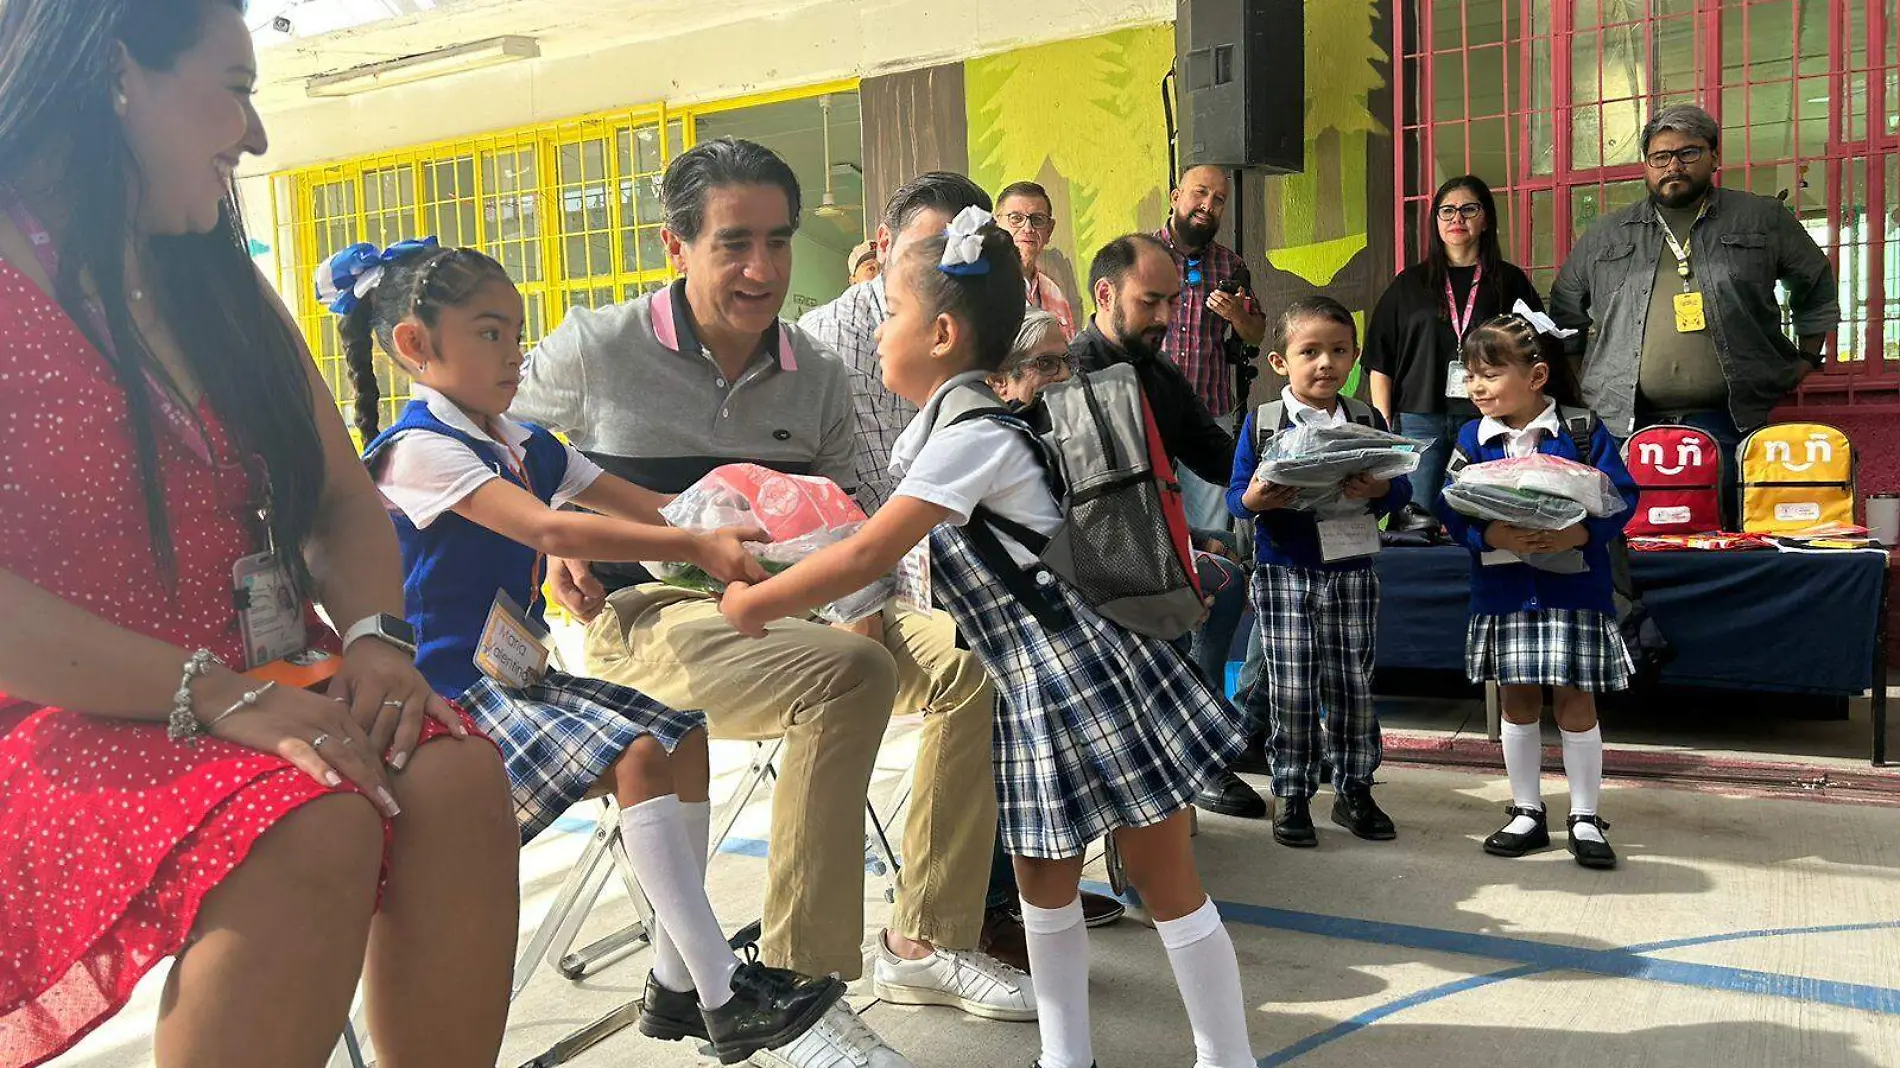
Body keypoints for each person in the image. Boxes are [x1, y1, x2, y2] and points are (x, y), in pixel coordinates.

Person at [0, 3, 519, 1067]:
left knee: (454, 776)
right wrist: (222, 694)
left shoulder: (212, 280)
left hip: (260, 678)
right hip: (52, 711)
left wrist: (377, 638)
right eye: (236, 90)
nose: (257, 136)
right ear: (115, 74)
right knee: (311, 819)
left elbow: (336, 498)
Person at [511, 141, 1029, 1068]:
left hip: (799, 606)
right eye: (733, 243)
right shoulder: (596, 350)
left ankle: (922, 941)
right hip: (654, 616)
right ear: (676, 246)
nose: (762, 270)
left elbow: (860, 519)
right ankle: (788, 988)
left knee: (965, 659)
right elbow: (484, 436)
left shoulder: (821, 373)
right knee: (849, 669)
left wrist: (864, 598)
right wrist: (545, 537)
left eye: (780, 242)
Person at [719, 207, 1258, 1068]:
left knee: (1165, 879)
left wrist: (753, 605)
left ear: (938, 332)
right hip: (1027, 682)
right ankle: (1065, 1056)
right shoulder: (945, 433)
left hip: (1083, 671)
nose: (878, 329)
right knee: (1044, 885)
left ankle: (1226, 1057)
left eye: (888, 312)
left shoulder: (968, 437)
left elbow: (870, 548)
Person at [333, 240, 846, 1061]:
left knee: (682, 734)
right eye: (490, 333)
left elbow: (644, 503)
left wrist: (736, 524)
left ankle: (680, 982)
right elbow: (546, 526)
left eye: (517, 333)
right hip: (447, 698)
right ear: (415, 347)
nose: (514, 353)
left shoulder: (520, 440)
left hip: (517, 680)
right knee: (639, 752)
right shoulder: (417, 451)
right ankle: (721, 996)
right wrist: (696, 546)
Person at [805, 175, 1125, 974]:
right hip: (862, 583)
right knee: (981, 668)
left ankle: (989, 905)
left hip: (957, 588)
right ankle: (947, 926)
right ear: (883, 251)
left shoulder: (961, 402)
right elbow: (832, 518)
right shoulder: (826, 347)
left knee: (987, 666)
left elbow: (894, 536)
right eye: (931, 252)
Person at [1549, 102, 1837, 516]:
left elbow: (1816, 287)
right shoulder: (1605, 235)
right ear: (1647, 164)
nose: (1673, 167)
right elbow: (1565, 316)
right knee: (1629, 538)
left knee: (1724, 536)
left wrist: (1806, 357)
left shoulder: (1760, 219)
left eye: (1688, 153)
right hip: (1623, 425)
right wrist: (1586, 381)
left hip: (1730, 421)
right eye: (1660, 157)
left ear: (1714, 156)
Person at [1434, 312, 1639, 870]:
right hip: (1504, 589)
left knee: (1576, 699)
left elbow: (1622, 496)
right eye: (1470, 375)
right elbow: (1446, 506)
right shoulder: (1472, 438)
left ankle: (1585, 815)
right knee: (1518, 698)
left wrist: (1581, 531)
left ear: (1538, 375)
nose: (1477, 388)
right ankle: (1526, 809)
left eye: (1491, 374)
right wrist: (1486, 533)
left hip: (1574, 591)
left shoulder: (1580, 429)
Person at [1075, 234, 1265, 821]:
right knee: (1192, 597)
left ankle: (1197, 734)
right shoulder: (1070, 370)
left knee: (1226, 580)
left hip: (1160, 549)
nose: (1166, 317)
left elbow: (1214, 452)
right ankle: (1184, 755)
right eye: (1150, 302)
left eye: (1173, 302)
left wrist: (1284, 473)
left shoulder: (1158, 371)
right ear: (1105, 294)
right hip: (1092, 561)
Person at [1228, 296, 1412, 849]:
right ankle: (1293, 792)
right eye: (1310, 352)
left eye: (1338, 351)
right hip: (1285, 571)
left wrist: (1380, 488)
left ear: (1355, 357)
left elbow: (1398, 483)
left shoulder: (1363, 418)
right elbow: (1238, 498)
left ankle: (1355, 788)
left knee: (1352, 683)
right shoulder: (1263, 423)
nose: (1325, 363)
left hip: (1352, 567)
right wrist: (1259, 496)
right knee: (1291, 687)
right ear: (1281, 361)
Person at [1364, 174, 1544, 523]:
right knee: (1417, 518)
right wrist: (1384, 425)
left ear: (1487, 219)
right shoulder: (1409, 283)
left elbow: (1534, 348)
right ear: (1435, 221)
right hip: (1419, 419)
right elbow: (1379, 359)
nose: (1456, 219)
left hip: (1491, 417)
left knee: (1489, 516)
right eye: (1446, 211)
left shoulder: (1509, 281)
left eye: (1468, 209)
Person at [1156, 165, 1269, 530]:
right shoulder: (1140, 255)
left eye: (1218, 200)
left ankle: (1211, 585)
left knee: (1211, 528)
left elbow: (1256, 334)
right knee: (1150, 519)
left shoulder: (1230, 264)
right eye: (1200, 193)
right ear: (1176, 197)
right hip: (1148, 409)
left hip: (1208, 412)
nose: (1208, 205)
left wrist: (1237, 314)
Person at [996, 181, 1076, 340]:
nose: (1028, 228)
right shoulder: (980, 287)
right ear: (996, 225)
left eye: (1038, 219)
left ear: (1049, 229)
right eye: (1016, 218)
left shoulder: (1055, 294)